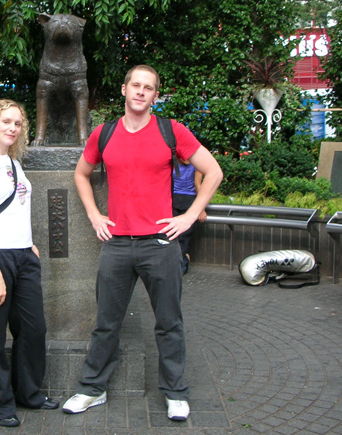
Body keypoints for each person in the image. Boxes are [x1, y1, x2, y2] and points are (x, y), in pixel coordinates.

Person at [63, 65, 223, 421]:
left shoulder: (172, 131)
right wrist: (94, 214)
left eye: (148, 88)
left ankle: (176, 392)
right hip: (117, 245)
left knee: (169, 322)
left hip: (160, 244)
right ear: (124, 89)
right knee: (106, 323)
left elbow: (213, 172)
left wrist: (189, 215)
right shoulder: (103, 134)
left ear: (155, 95)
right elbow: (81, 173)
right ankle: (92, 389)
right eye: (135, 85)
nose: (141, 91)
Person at [0, 100, 58, 427]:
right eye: (6, 121)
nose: (12, 128)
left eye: (17, 123)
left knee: (34, 329)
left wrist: (29, 244)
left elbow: (17, 208)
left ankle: (29, 393)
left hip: (23, 255)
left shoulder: (14, 162)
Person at [172, 159, 207, 275]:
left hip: (189, 201)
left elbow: (198, 185)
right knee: (173, 235)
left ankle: (181, 263)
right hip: (174, 200)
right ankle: (179, 261)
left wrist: (201, 209)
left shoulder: (196, 165)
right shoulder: (173, 163)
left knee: (184, 236)